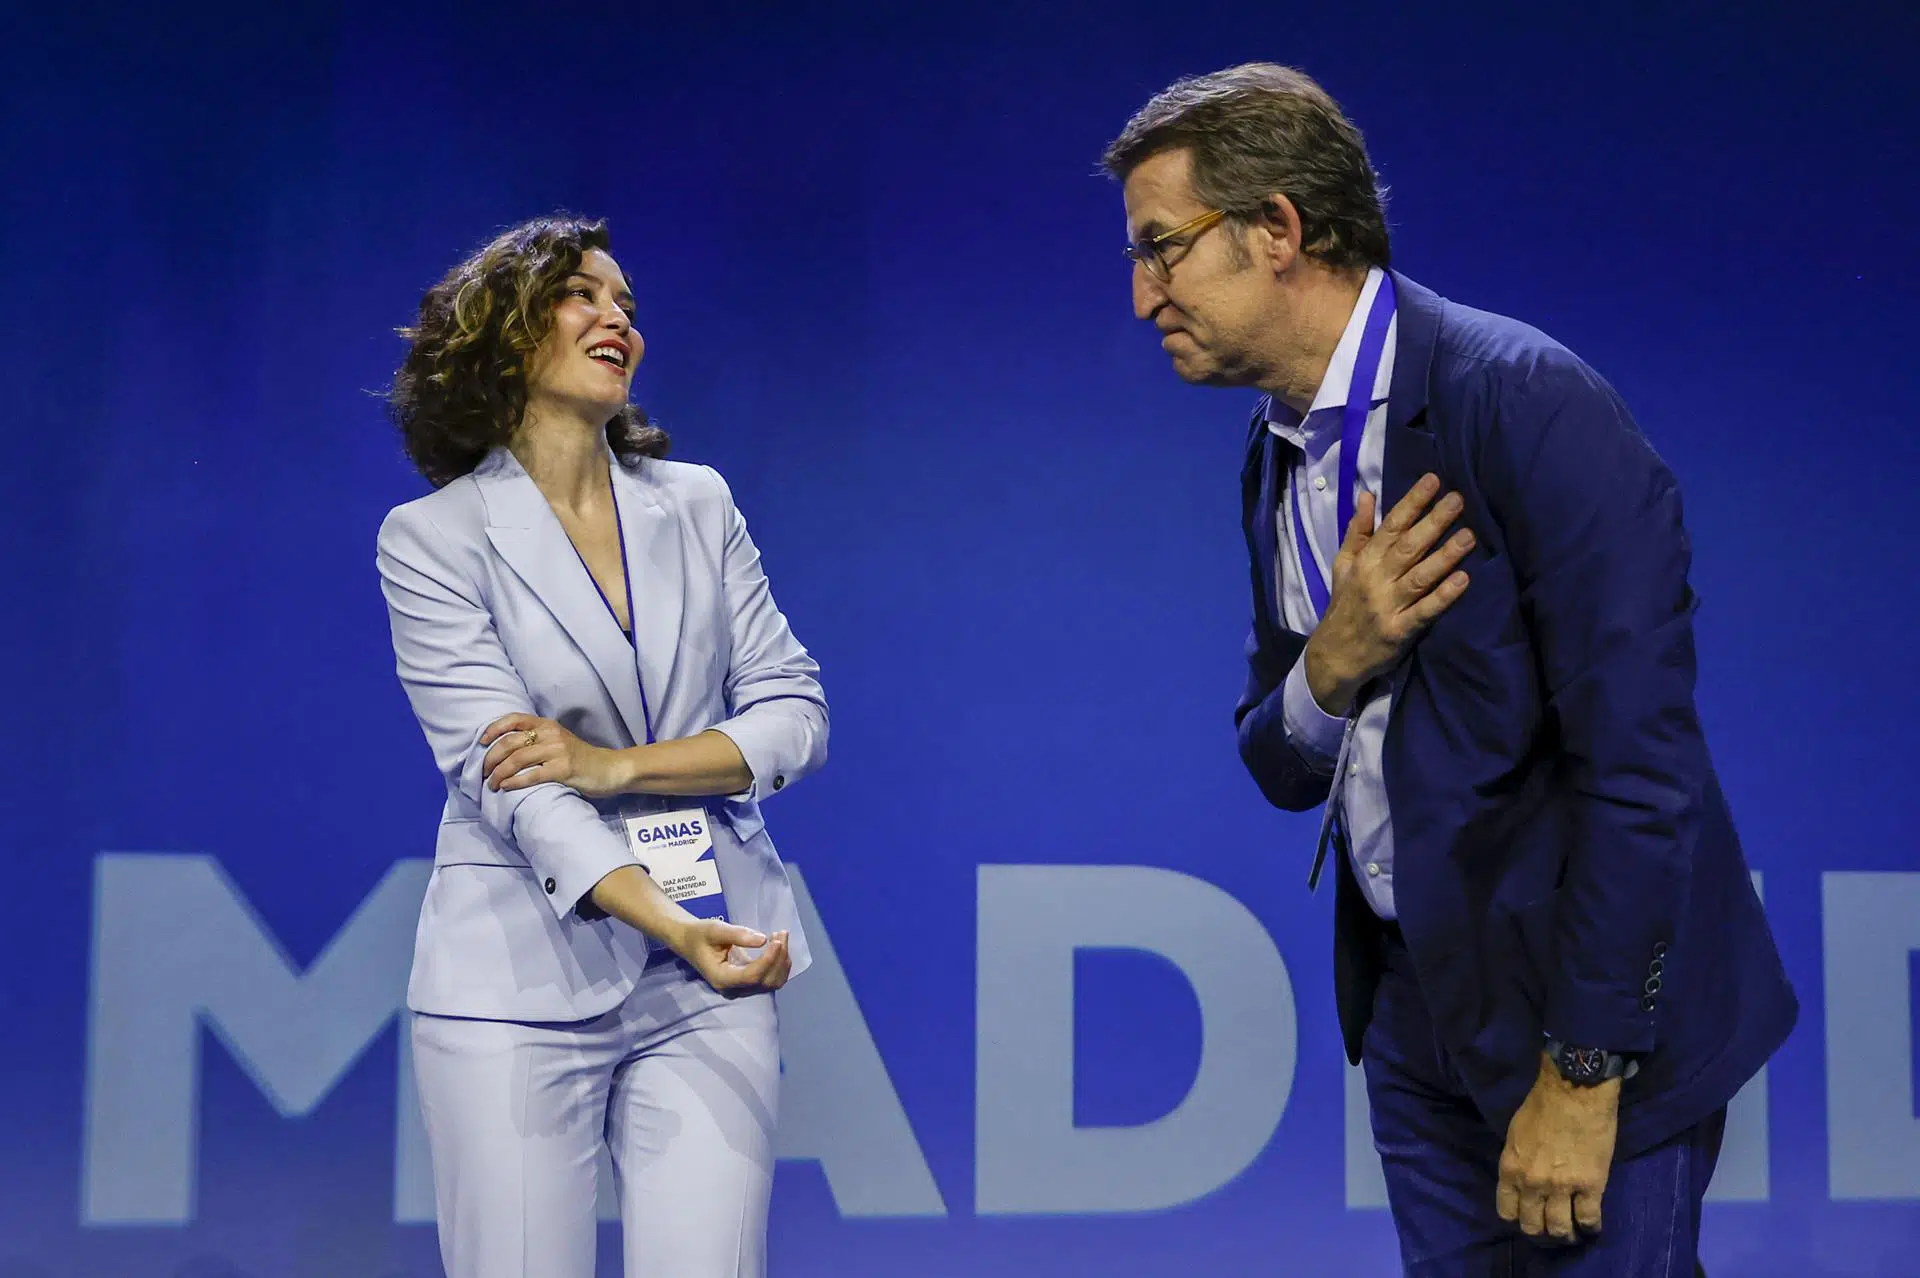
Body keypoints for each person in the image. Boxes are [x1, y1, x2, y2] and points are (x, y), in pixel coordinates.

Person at [1103, 65, 1795, 1276]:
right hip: (1418, 1018)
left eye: (1163, 247)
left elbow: (1640, 765)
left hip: (1584, 1016)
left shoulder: (1523, 402)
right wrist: (1330, 666)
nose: (1141, 294)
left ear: (1278, 229)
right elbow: (1278, 760)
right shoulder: (1274, 453)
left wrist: (1584, 1072)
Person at [376, 214, 827, 1278]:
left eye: (626, 302)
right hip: (516, 988)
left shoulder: (699, 504)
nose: (615, 316)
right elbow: (517, 789)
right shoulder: (431, 539)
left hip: (710, 977)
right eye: (581, 294)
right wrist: (671, 922)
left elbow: (794, 713)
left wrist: (616, 768)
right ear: (502, 333)